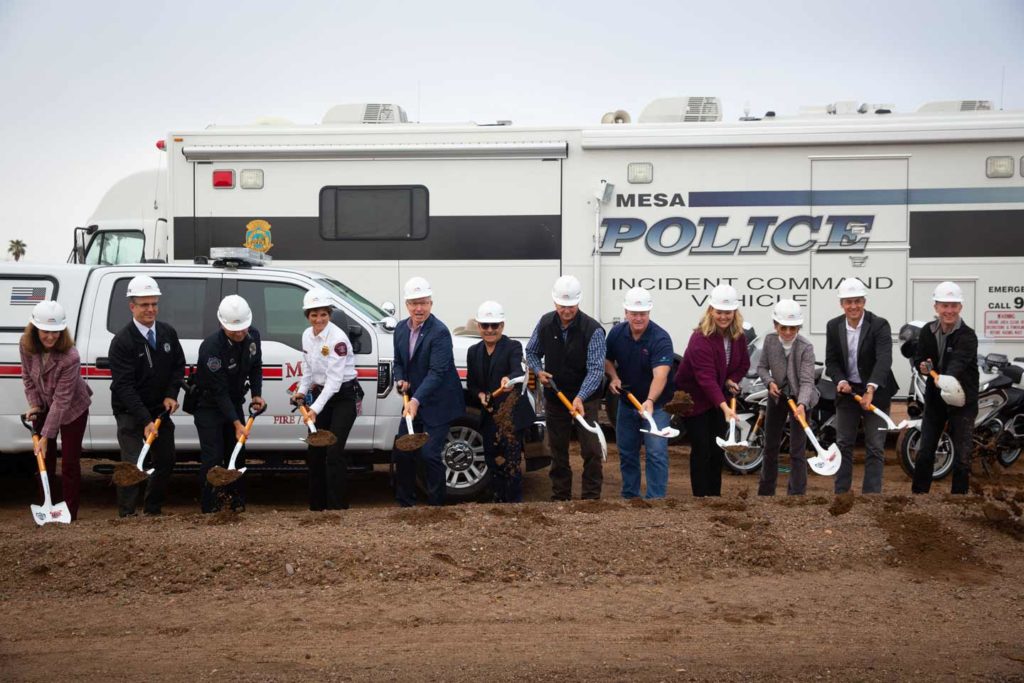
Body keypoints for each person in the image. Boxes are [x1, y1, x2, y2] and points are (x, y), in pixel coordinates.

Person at [525, 275, 607, 500]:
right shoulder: (545, 323)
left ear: (578, 302)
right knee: (558, 449)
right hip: (555, 397)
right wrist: (538, 371)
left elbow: (596, 370)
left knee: (591, 450)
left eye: (571, 306)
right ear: (555, 302)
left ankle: (591, 498)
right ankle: (560, 496)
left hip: (586, 400)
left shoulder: (593, 330)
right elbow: (531, 352)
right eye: (562, 305)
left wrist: (580, 397)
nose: (566, 310)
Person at [109, 276, 185, 517]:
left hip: (159, 410)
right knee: (132, 464)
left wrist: (171, 395)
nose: (150, 309)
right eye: (144, 305)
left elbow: (178, 367)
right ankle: (127, 514)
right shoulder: (122, 341)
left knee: (166, 460)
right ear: (132, 306)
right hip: (130, 412)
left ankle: (152, 509)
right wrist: (145, 420)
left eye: (154, 304)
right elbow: (124, 387)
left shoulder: (167, 333)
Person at [391, 277, 465, 507]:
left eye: (423, 303)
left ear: (431, 303)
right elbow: (398, 362)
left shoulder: (440, 332)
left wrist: (415, 400)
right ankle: (406, 503)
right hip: (414, 401)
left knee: (429, 454)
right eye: (414, 303)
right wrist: (400, 379)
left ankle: (436, 505)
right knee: (403, 450)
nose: (419, 308)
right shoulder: (400, 329)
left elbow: (437, 372)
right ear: (407, 305)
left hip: (438, 402)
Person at [674, 284, 750, 497]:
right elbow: (705, 379)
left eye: (728, 312)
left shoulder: (738, 336)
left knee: (717, 449)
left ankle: (714, 496)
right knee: (702, 448)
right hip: (695, 399)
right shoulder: (700, 338)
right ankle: (700, 497)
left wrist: (732, 380)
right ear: (710, 310)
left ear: (734, 312)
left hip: (717, 398)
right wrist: (725, 408)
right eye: (719, 312)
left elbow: (743, 364)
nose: (723, 316)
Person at [825, 277, 898, 495]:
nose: (853, 306)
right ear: (842, 304)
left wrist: (870, 389)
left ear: (864, 301)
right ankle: (841, 494)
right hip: (848, 393)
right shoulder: (833, 326)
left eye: (857, 301)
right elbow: (832, 361)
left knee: (875, 446)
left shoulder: (879, 325)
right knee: (843, 444)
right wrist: (841, 381)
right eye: (848, 302)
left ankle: (871, 497)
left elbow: (884, 359)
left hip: (876, 392)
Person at [193, 295, 266, 513]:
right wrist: (236, 423)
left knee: (237, 452)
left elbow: (256, 366)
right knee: (214, 458)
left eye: (243, 328)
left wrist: (256, 394)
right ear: (222, 324)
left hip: (233, 402)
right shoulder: (211, 348)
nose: (240, 334)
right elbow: (219, 391)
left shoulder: (253, 336)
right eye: (235, 331)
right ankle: (211, 505)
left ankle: (236, 501)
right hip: (209, 406)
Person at [20, 301, 93, 521]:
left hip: (73, 408)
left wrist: (45, 436)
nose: (51, 337)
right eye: (45, 331)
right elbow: (27, 377)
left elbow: (62, 401)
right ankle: (47, 506)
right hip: (43, 405)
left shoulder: (71, 357)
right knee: (44, 459)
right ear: (35, 329)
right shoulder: (26, 345)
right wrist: (34, 404)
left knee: (69, 462)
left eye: (56, 332)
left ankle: (69, 511)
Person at [291, 289, 360, 511]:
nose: (319, 319)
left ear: (329, 314)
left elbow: (334, 382)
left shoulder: (338, 339)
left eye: (323, 314)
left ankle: (337, 507)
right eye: (314, 315)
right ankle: (317, 507)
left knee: (333, 450)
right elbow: (308, 369)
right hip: (322, 395)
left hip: (344, 397)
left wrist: (314, 409)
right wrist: (301, 391)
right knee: (315, 450)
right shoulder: (306, 336)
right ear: (307, 316)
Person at [604, 287, 674, 500]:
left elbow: (660, 375)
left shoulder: (660, 338)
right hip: (627, 403)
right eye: (634, 313)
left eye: (642, 313)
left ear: (649, 312)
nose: (638, 318)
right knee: (627, 452)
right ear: (626, 312)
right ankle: (630, 498)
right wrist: (614, 377)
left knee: (656, 453)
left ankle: (656, 499)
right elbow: (607, 359)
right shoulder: (616, 333)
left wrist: (650, 400)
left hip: (656, 407)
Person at [911, 281, 979, 495]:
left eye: (953, 305)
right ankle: (919, 496)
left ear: (960, 307)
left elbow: (958, 362)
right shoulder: (927, 331)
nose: (949, 310)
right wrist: (922, 367)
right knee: (925, 450)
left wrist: (944, 377)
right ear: (936, 307)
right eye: (944, 305)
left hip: (962, 399)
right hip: (935, 398)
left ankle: (959, 499)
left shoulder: (968, 335)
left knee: (962, 454)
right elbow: (920, 358)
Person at [466, 301, 535, 503]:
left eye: (494, 325)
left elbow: (517, 371)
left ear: (502, 326)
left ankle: (513, 504)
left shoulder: (512, 347)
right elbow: (472, 384)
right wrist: (480, 395)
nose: (490, 330)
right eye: (485, 325)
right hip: (489, 416)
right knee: (492, 460)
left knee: (511, 463)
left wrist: (509, 379)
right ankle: (498, 501)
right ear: (478, 326)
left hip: (510, 416)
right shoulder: (473, 351)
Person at [756, 299, 818, 496]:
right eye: (784, 327)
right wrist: (769, 382)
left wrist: (802, 404)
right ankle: (766, 493)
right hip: (777, 397)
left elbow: (807, 382)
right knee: (770, 446)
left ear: (799, 326)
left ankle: (797, 495)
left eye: (793, 328)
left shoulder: (806, 347)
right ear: (776, 325)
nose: (788, 332)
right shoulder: (770, 341)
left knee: (797, 450)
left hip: (801, 399)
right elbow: (761, 367)